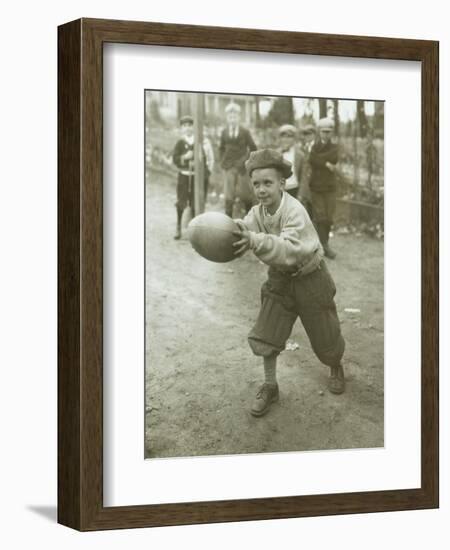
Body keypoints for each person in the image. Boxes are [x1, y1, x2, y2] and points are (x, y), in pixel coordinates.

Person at [232, 148, 346, 417]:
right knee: (267, 330)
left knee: (325, 333)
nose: (261, 190)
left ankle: (335, 365)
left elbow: (289, 250)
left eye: (268, 183)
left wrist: (254, 240)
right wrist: (229, 230)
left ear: (282, 184)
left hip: (311, 276)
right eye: (256, 184)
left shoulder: (295, 210)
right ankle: (270, 385)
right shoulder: (258, 211)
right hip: (281, 278)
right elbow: (245, 227)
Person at [219, 102, 257, 217]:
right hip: (229, 167)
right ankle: (227, 221)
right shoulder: (224, 132)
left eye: (235, 116)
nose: (232, 119)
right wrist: (222, 161)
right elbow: (221, 148)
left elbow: (253, 148)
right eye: (230, 117)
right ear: (227, 118)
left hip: (242, 168)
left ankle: (249, 220)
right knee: (228, 196)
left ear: (239, 117)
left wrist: (245, 161)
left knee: (245, 194)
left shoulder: (245, 132)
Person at [309, 117, 339, 259]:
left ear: (332, 132)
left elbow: (334, 157)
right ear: (319, 132)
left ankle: (324, 244)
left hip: (330, 187)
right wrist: (326, 163)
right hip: (316, 186)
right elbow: (311, 159)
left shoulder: (334, 147)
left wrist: (320, 160)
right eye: (323, 131)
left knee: (328, 217)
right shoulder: (314, 147)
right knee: (320, 217)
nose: (326, 134)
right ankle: (324, 246)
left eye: (328, 131)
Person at [172, 115, 206, 240]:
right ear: (182, 128)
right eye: (185, 126)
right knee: (181, 201)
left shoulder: (197, 142)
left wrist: (197, 161)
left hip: (195, 177)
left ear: (194, 127)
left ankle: (195, 229)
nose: (188, 128)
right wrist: (185, 158)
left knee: (194, 202)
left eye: (190, 125)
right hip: (184, 176)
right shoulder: (180, 143)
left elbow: (204, 159)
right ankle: (178, 227)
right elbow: (175, 159)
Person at [277, 124, 304, 200]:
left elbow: (303, 177)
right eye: (284, 137)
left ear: (294, 139)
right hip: (280, 190)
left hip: (294, 188)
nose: (286, 139)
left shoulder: (300, 155)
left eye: (289, 137)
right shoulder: (276, 154)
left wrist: (301, 194)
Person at [297, 123, 316, 219]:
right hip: (305, 180)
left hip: (315, 180)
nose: (307, 137)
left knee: (315, 206)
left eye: (309, 134)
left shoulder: (317, 147)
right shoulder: (303, 148)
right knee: (307, 205)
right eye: (305, 134)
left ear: (314, 135)